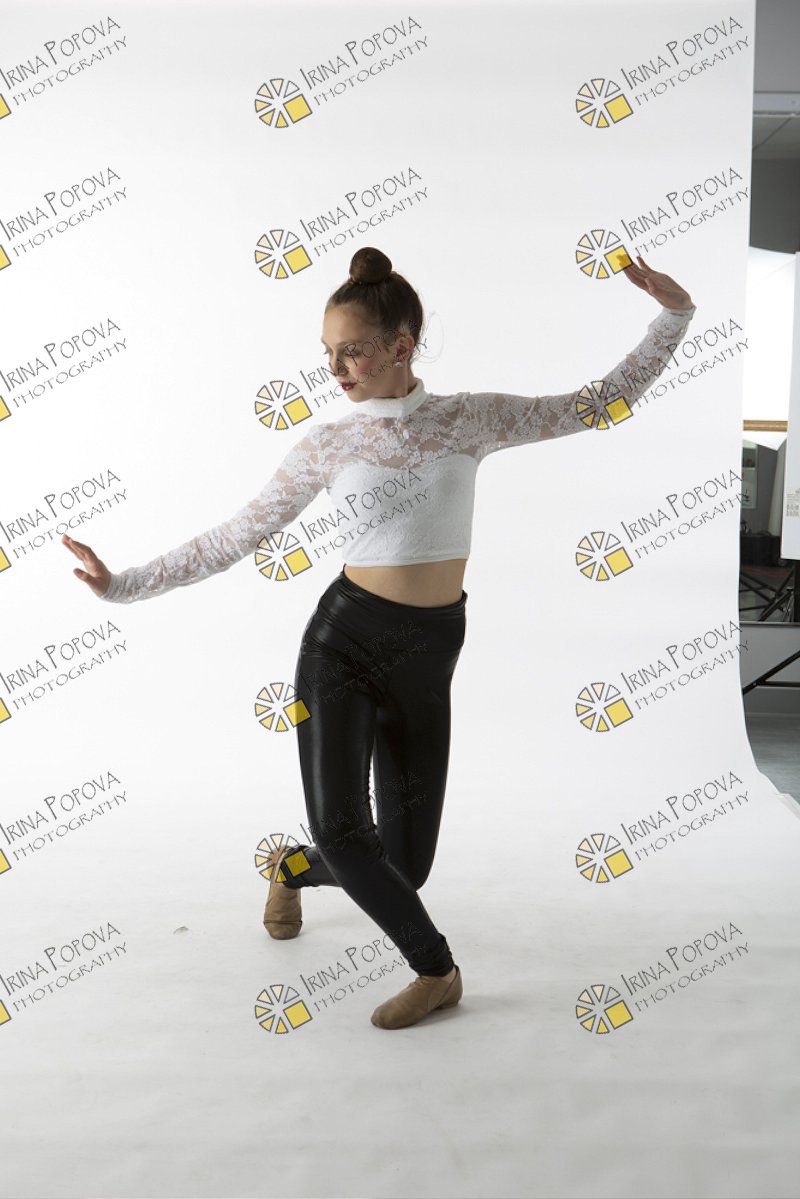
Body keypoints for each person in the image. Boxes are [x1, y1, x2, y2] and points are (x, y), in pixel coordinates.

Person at [63, 245, 696, 1030]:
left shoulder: (470, 419)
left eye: (352, 351)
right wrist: (121, 582)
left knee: (404, 864)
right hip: (344, 644)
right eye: (327, 353)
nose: (335, 368)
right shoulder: (329, 444)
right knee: (344, 829)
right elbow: (233, 537)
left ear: (401, 345)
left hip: (429, 656)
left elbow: (599, 404)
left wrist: (674, 316)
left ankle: (292, 867)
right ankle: (437, 970)